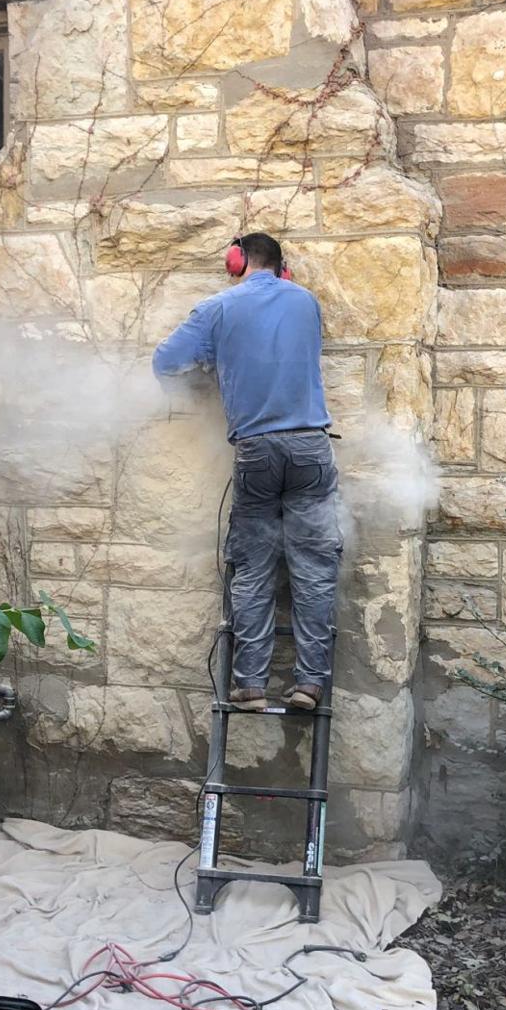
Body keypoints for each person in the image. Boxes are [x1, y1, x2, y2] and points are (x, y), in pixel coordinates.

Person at [152, 232, 341, 713]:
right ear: (283, 268)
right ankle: (309, 684)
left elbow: (165, 362)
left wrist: (211, 365)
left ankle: (251, 685)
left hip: (256, 451)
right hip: (310, 447)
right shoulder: (307, 303)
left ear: (236, 261)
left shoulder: (217, 307)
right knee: (315, 569)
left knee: (253, 567)